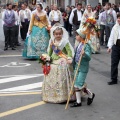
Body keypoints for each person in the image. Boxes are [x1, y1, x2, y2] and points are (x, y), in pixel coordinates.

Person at [42, 24, 74, 103]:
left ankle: (63, 94)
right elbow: (50, 51)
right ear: (54, 34)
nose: (58, 35)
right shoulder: (52, 42)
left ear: (62, 34)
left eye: (60, 34)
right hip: (53, 59)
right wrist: (47, 58)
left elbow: (69, 52)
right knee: (51, 69)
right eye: (56, 34)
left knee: (61, 68)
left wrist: (69, 58)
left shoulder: (65, 42)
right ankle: (52, 94)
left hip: (62, 58)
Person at [70, 29, 95, 107]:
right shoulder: (79, 44)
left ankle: (90, 94)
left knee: (79, 84)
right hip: (77, 66)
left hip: (83, 68)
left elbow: (88, 58)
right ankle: (78, 101)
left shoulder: (86, 45)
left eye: (77, 35)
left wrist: (84, 54)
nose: (76, 36)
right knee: (76, 84)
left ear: (81, 36)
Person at [107, 13, 120, 85]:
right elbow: (111, 37)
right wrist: (109, 46)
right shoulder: (115, 27)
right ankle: (114, 79)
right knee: (114, 63)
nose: (119, 19)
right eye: (118, 18)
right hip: (116, 46)